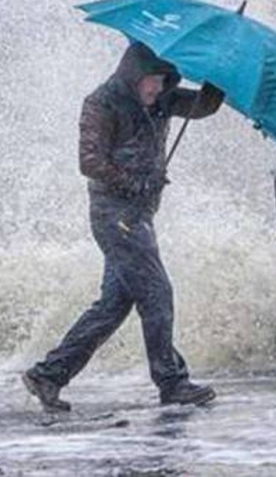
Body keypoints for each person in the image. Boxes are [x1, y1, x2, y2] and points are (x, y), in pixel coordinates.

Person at [22, 41, 225, 411]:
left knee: (113, 305)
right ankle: (172, 382)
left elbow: (203, 106)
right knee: (157, 292)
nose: (157, 89)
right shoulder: (101, 103)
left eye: (164, 81)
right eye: (152, 81)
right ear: (134, 75)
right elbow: (89, 162)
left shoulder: (162, 98)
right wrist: (133, 182)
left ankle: (48, 375)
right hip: (114, 214)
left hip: (139, 215)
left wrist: (218, 76)